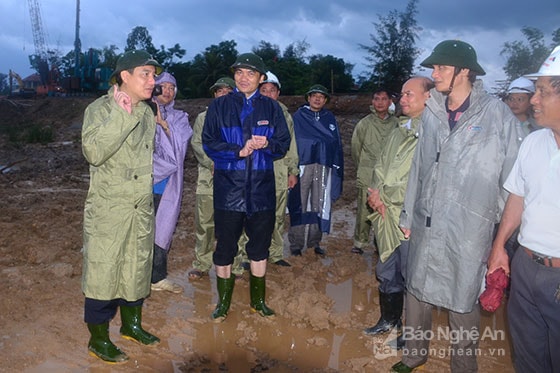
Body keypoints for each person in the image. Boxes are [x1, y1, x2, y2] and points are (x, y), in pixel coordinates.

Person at [390, 40, 520, 373]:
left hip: (469, 223)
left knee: (464, 296)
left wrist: (497, 230)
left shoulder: (495, 114)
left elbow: (512, 175)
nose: (434, 75)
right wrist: (407, 214)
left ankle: (464, 365)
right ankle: (414, 354)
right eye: (434, 68)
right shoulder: (433, 111)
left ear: (464, 72)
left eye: (441, 68)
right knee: (416, 289)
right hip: (428, 218)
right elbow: (419, 167)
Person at [81, 50, 163, 363]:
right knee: (104, 271)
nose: (152, 81)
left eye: (154, 75)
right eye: (146, 73)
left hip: (139, 207)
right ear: (124, 76)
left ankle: (131, 325)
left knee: (137, 267)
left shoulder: (146, 112)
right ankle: (98, 339)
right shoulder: (99, 109)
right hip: (110, 209)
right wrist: (120, 115)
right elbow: (94, 152)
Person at [202, 53, 291, 322]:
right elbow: (209, 143)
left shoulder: (273, 108)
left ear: (261, 78)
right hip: (228, 188)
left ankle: (258, 302)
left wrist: (267, 145)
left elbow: (283, 144)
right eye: (239, 72)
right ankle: (223, 302)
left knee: (259, 248)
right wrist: (238, 151)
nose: (243, 78)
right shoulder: (219, 107)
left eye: (250, 74)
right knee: (225, 248)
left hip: (261, 190)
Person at [487, 45, 560, 373]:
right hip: (526, 268)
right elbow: (517, 197)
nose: (533, 100)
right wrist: (500, 247)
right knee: (529, 359)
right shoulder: (534, 142)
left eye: (543, 92)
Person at [363, 77, 433, 350]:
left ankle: (411, 333)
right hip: (386, 214)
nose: (402, 100)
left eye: (409, 95)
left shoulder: (432, 132)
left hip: (409, 217)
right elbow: (381, 164)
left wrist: (388, 197)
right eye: (401, 94)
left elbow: (424, 179)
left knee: (411, 276)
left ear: (428, 97)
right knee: (387, 269)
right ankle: (389, 319)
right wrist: (375, 193)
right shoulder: (399, 128)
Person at [188, 77, 246, 280]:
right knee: (205, 224)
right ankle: (202, 264)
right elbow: (197, 143)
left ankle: (236, 266)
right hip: (208, 179)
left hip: (235, 181)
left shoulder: (242, 116)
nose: (223, 95)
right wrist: (213, 163)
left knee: (236, 224)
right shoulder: (204, 117)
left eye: (228, 91)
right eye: (219, 91)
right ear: (214, 95)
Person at [288, 84, 344, 257]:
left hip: (323, 164)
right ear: (308, 98)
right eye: (314, 96)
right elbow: (294, 141)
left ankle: (314, 243)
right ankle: (296, 244)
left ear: (325, 100)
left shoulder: (330, 118)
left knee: (319, 203)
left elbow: (335, 143)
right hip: (303, 165)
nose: (317, 99)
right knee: (300, 203)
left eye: (321, 96)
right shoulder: (299, 116)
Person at [150, 72, 193, 293]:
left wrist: (163, 123)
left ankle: (157, 277)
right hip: (140, 183)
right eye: (162, 86)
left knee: (162, 229)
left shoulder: (179, 117)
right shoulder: (140, 111)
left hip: (166, 184)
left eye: (171, 88)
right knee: (137, 232)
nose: (167, 91)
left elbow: (181, 146)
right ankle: (134, 278)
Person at [350, 88, 399, 255]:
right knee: (364, 209)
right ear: (372, 102)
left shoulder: (397, 124)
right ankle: (360, 242)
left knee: (385, 209)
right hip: (367, 173)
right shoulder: (364, 123)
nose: (379, 102)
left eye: (383, 99)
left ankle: (381, 243)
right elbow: (356, 149)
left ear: (390, 102)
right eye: (376, 99)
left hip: (389, 176)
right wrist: (363, 168)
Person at [505, 76, 539, 143]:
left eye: (520, 99)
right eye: (511, 99)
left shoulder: (540, 126)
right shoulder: (500, 124)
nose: (514, 103)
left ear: (530, 101)